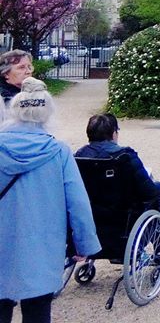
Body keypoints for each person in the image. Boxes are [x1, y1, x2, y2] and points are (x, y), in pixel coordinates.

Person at [0, 79, 101, 323]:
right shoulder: (58, 151)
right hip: (41, 247)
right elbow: (78, 203)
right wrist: (85, 244)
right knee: (37, 311)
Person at [75, 114, 160, 261]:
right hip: (124, 222)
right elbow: (149, 191)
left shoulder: (78, 157)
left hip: (92, 221)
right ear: (114, 134)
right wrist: (159, 187)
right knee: (157, 203)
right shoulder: (125, 157)